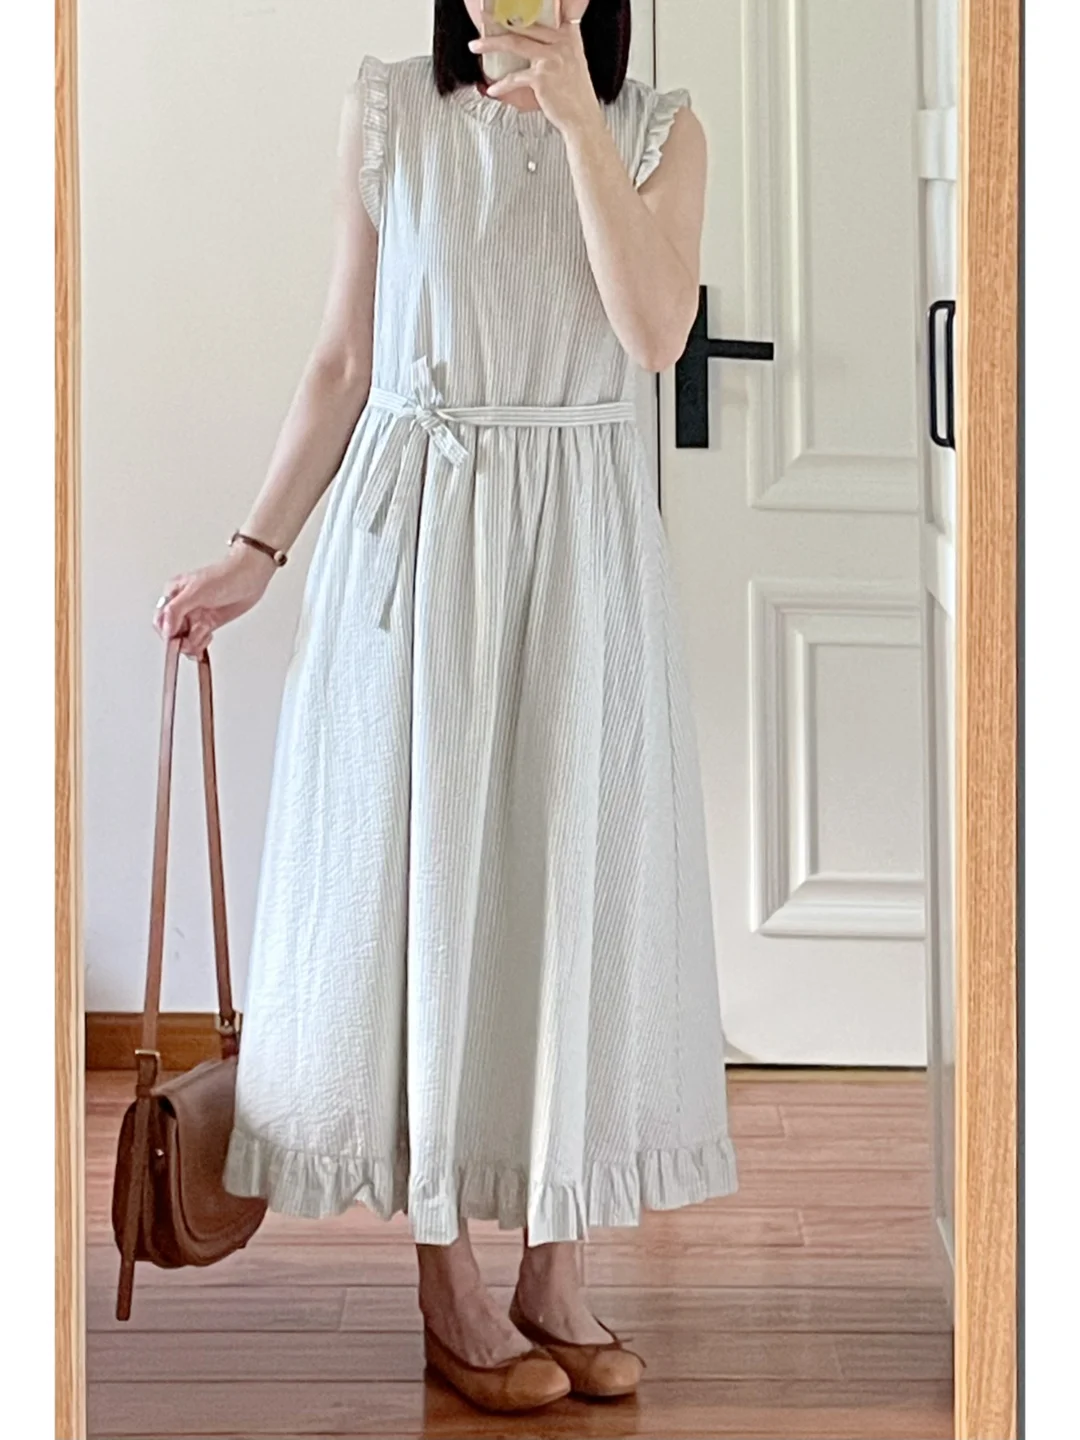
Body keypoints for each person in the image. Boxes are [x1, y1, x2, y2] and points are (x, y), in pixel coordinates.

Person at [154, 0, 737, 1414]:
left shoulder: (661, 131)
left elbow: (653, 332)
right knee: (426, 898)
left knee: (574, 895)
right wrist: (255, 550)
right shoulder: (388, 111)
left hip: (585, 550)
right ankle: (447, 1280)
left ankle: (554, 1268)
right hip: (416, 546)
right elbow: (343, 362)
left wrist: (579, 119)